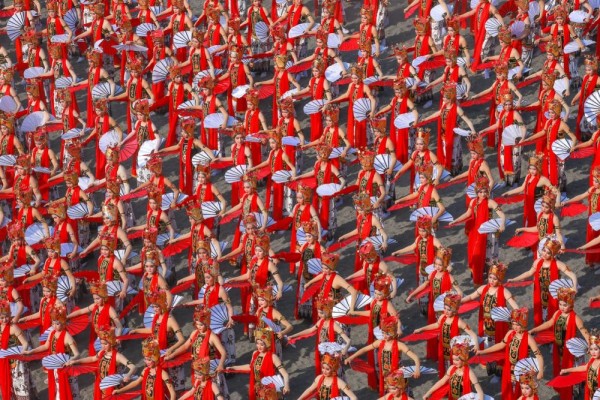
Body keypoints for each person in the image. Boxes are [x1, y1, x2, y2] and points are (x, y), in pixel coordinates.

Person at [530, 288, 590, 400]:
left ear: (571, 304)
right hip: (560, 350)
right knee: (562, 371)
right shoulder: (557, 313)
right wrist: (535, 330)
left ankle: (576, 393)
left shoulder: (575, 318)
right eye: (560, 304)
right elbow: (549, 323)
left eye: (565, 304)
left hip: (572, 352)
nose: (562, 307)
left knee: (574, 374)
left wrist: (590, 345)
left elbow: (584, 331)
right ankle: (566, 392)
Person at [476, 308, 544, 400]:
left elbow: (539, 355)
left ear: (523, 324)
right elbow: (501, 345)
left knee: (522, 393)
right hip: (509, 368)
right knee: (508, 392)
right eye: (513, 324)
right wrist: (482, 351)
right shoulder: (510, 333)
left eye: (517, 325)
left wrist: (541, 371)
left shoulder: (528, 338)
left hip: (522, 371)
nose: (515, 327)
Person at [506, 238, 577, 325]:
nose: (545, 254)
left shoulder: (558, 264)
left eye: (548, 253)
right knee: (542, 312)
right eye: (544, 250)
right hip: (540, 292)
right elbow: (529, 273)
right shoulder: (538, 262)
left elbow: (572, 275)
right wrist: (514, 279)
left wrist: (574, 287)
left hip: (553, 293)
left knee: (554, 312)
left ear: (553, 254)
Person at [346, 315, 420, 395]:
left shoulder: (399, 345)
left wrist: (417, 369)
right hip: (385, 376)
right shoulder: (380, 342)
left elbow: (415, 357)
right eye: (383, 333)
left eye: (387, 333)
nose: (384, 336)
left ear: (393, 333)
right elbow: (365, 349)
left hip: (397, 376)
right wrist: (351, 357)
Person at [413, 292, 479, 377]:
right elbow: (437, 325)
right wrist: (422, 329)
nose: (446, 311)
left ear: (454, 310)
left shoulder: (459, 322)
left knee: (454, 369)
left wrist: (476, 345)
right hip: (442, 347)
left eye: (449, 310)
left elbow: (472, 334)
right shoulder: (443, 317)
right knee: (444, 366)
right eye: (445, 308)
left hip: (454, 350)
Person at [24, 304, 81, 399]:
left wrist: (69, 361)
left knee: (70, 391)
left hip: (65, 368)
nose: (54, 325)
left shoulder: (67, 336)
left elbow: (77, 354)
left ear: (63, 323)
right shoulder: (52, 333)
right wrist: (32, 351)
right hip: (55, 366)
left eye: (57, 323)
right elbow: (46, 346)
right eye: (53, 323)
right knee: (57, 389)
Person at [65, 325, 136, 399]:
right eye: (102, 343)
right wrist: (76, 361)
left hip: (113, 388)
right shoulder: (102, 352)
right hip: (102, 385)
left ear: (111, 342)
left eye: (105, 344)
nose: (103, 346)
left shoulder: (117, 356)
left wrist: (128, 375)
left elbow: (133, 367)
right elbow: (92, 359)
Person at [287, 295, 351, 374]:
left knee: (334, 373)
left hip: (332, 354)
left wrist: (345, 350)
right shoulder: (321, 321)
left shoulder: (334, 324)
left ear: (328, 312)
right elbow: (310, 330)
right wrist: (293, 336)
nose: (319, 314)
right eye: (318, 312)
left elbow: (348, 340)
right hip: (323, 352)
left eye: (321, 312)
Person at [461, 262, 519, 347]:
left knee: (499, 342)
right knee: (486, 342)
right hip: (486, 322)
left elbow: (515, 307)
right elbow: (470, 297)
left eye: (494, 279)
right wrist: (459, 301)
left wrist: (517, 316)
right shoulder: (483, 288)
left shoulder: (504, 291)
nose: (491, 280)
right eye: (490, 277)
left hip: (498, 323)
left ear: (499, 279)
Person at [228, 327, 290, 400]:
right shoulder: (255, 354)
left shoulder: (273, 357)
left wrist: (286, 385)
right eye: (257, 343)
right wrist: (234, 368)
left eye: (262, 344)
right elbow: (250, 367)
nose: (259, 346)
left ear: (267, 344)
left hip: (270, 388)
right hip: (258, 388)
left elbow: (285, 374)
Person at [0, 300, 32, 400]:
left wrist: (23, 353)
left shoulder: (13, 327)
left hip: (17, 362)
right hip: (4, 360)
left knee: (20, 384)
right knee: (10, 383)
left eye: (6, 317)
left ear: (10, 315)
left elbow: (25, 343)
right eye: (1, 317)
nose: (4, 319)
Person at [559, 330, 600, 399]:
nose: (593, 352)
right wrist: (567, 370)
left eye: (596, 349)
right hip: (590, 394)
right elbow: (585, 367)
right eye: (591, 349)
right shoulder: (592, 360)